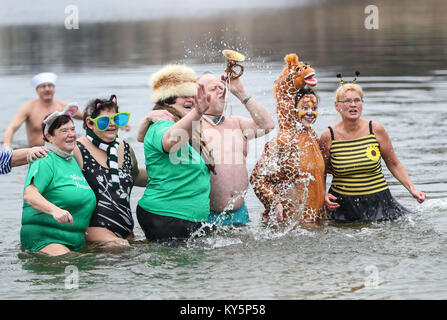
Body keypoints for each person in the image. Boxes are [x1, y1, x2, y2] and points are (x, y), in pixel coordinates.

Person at [319, 77, 426, 222]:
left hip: (380, 201)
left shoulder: (375, 129)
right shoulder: (328, 136)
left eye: (357, 100)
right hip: (342, 205)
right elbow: (321, 171)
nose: (353, 105)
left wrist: (412, 189)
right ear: (337, 106)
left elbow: (393, 163)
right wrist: (323, 193)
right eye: (348, 101)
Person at [136, 64, 214, 241]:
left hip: (183, 217)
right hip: (166, 216)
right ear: (166, 99)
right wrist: (197, 112)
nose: (190, 99)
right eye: (183, 95)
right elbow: (171, 141)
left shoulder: (189, 127)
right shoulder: (161, 124)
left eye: (191, 95)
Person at [197, 72, 275, 226]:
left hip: (240, 212)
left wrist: (240, 92)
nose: (221, 90)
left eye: (222, 87)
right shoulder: (193, 126)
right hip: (207, 214)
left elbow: (267, 125)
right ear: (199, 96)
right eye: (214, 89)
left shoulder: (237, 123)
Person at [21, 104, 96, 256]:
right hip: (46, 238)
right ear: (49, 136)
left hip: (74, 240)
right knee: (69, 265)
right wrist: (54, 210)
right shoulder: (44, 159)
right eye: (64, 130)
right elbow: (30, 194)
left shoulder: (72, 160)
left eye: (73, 129)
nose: (71, 134)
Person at [72, 94, 147, 247]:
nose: (112, 124)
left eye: (117, 119)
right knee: (119, 247)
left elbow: (136, 177)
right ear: (90, 123)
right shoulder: (77, 149)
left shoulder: (126, 148)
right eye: (105, 121)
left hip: (125, 229)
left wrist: (171, 175)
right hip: (93, 229)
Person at [250, 87, 326, 225]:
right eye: (305, 107)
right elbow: (257, 179)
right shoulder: (283, 140)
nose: (310, 113)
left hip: (316, 219)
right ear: (293, 110)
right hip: (290, 224)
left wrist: (324, 195)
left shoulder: (312, 135)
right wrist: (275, 202)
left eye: (314, 108)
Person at [3, 72, 83, 149]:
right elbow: (12, 128)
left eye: (50, 85)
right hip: (35, 151)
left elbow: (86, 118)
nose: (47, 89)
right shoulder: (29, 108)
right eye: (43, 86)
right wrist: (7, 145)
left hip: (59, 150)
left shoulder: (64, 107)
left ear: (54, 88)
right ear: (37, 90)